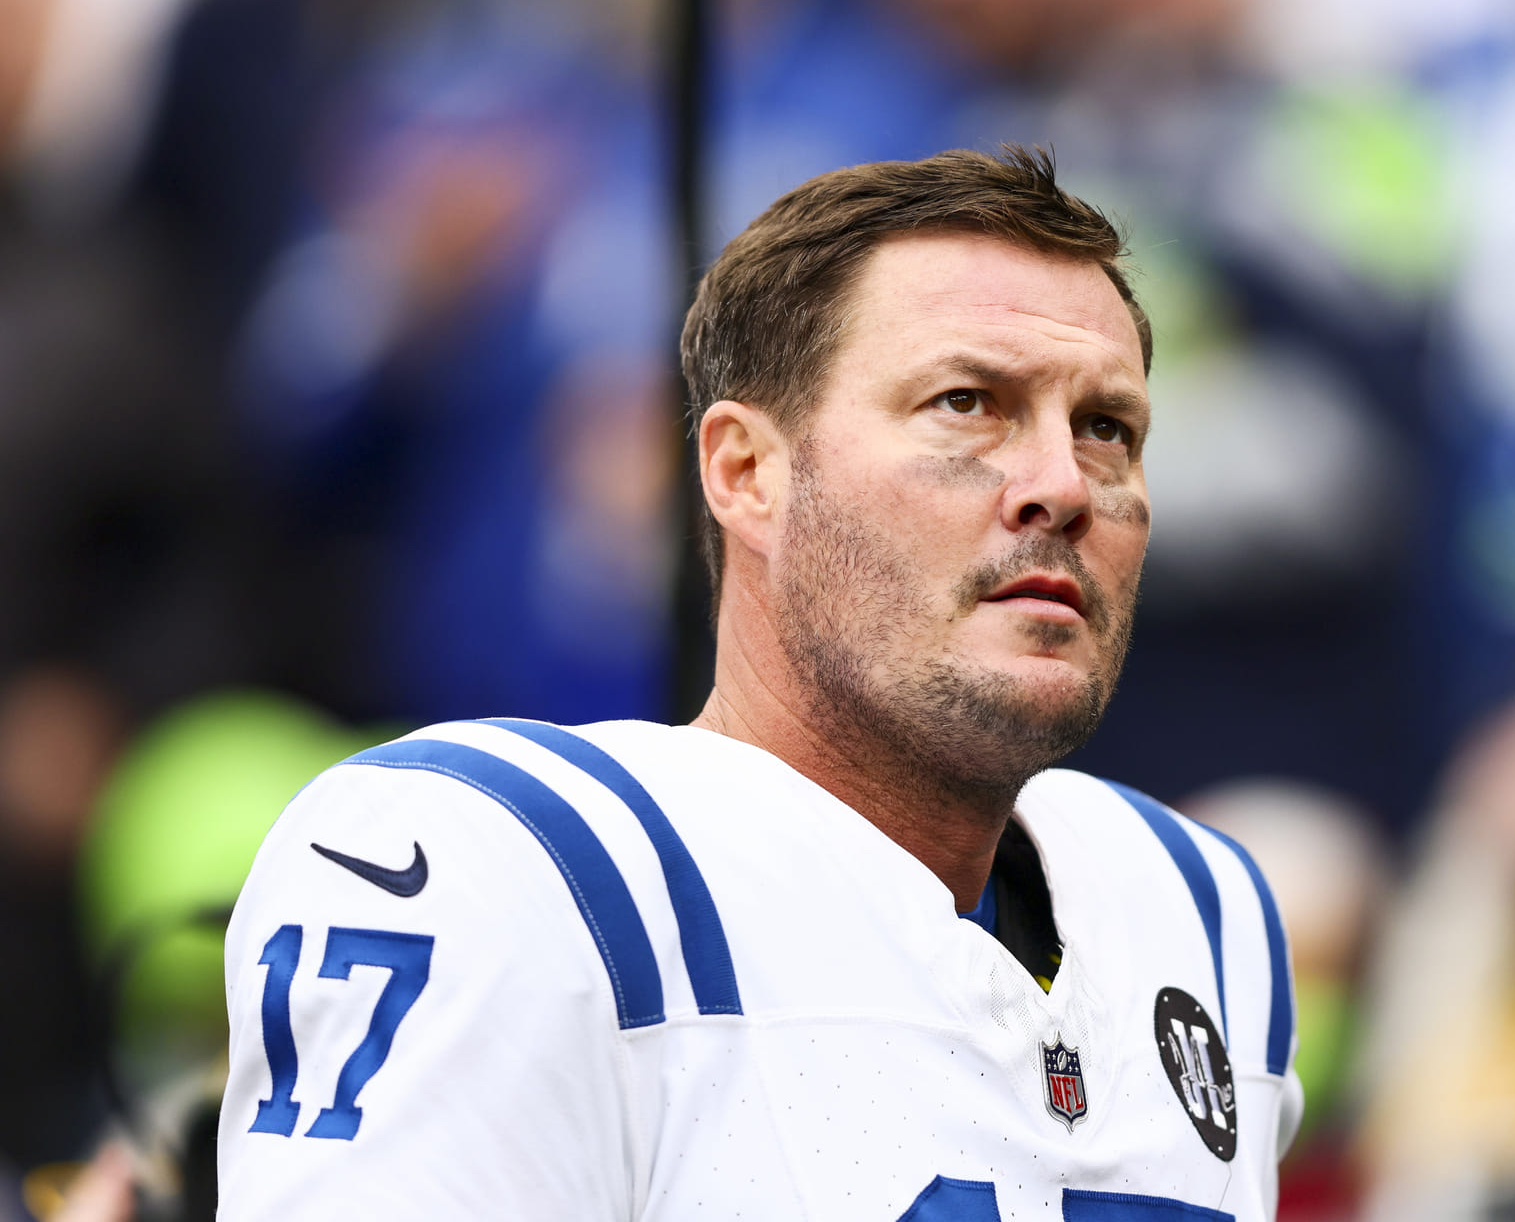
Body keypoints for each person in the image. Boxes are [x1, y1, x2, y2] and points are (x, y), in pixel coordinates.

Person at [215, 148, 1302, 1220]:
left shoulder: (1199, 912)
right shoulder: (517, 873)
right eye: (968, 403)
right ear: (745, 472)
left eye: (1107, 428)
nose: (1062, 484)